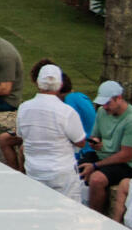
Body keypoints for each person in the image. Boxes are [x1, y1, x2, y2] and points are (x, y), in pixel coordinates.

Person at [18, 63, 86, 197]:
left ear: (38, 83)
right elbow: (80, 141)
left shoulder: (24, 108)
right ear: (60, 85)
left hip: (35, 170)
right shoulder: (67, 112)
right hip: (61, 172)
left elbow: (21, 135)